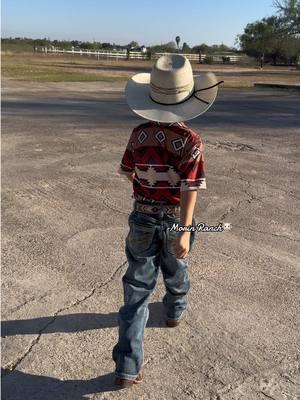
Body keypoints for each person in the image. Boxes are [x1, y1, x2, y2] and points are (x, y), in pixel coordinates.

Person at [112, 54, 223, 387]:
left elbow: (128, 171)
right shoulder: (191, 141)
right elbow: (191, 188)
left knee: (137, 289)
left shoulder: (138, 134)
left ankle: (128, 367)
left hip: (142, 218)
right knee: (176, 267)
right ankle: (174, 310)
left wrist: (148, 190)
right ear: (190, 98)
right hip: (176, 218)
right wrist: (186, 231)